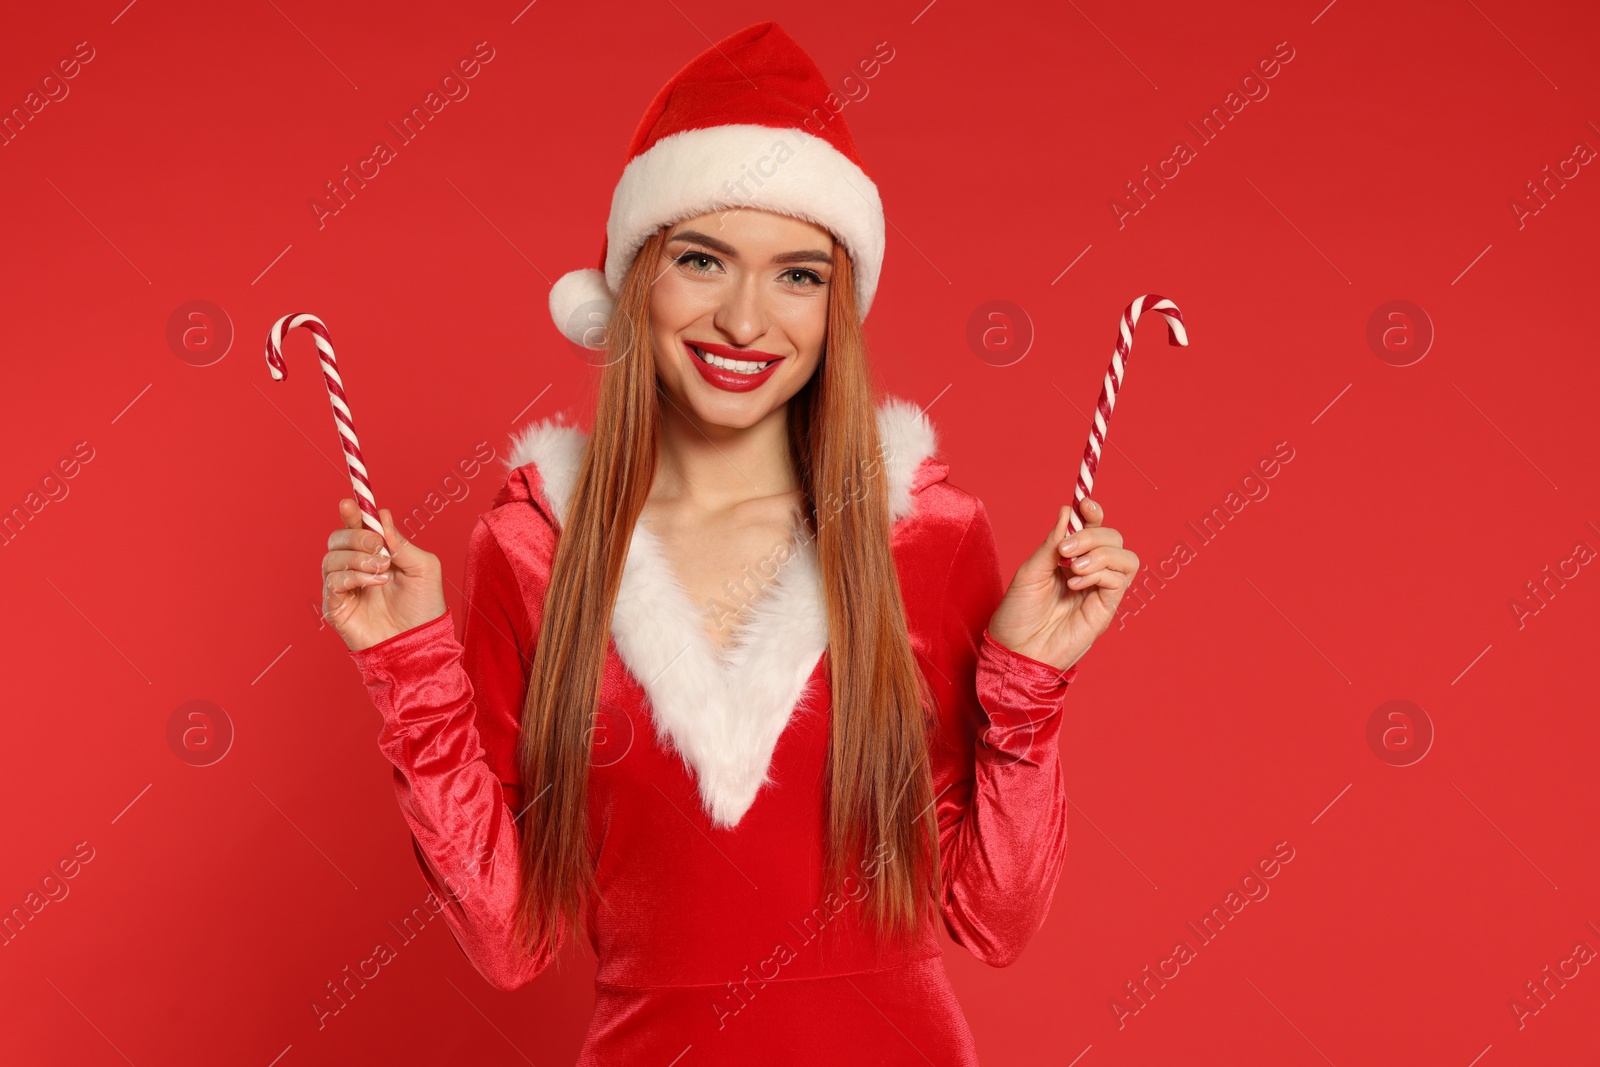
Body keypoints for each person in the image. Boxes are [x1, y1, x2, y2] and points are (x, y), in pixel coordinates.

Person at [321, 21, 1138, 1065]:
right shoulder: (529, 556)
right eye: (702, 260)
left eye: (797, 274)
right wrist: (408, 670)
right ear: (633, 281)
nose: (746, 320)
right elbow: (506, 938)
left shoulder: (926, 537)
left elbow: (995, 916)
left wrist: (1028, 683)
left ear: (837, 305)